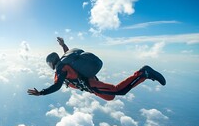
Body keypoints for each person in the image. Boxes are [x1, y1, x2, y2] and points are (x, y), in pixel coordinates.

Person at [27, 37, 166, 100]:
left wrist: (41, 93)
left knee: (120, 91)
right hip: (90, 82)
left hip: (90, 84)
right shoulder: (65, 62)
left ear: (51, 63)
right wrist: (63, 45)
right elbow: (66, 53)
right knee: (110, 97)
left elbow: (57, 86)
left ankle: (144, 73)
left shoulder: (60, 70)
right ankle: (143, 74)